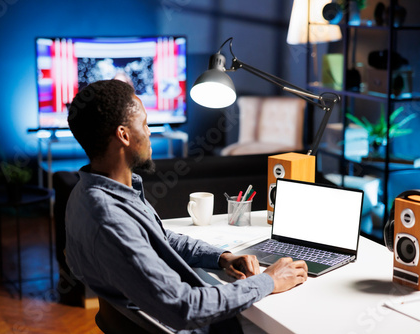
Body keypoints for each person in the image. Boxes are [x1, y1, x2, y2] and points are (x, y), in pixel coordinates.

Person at [65, 79, 308, 333]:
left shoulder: (90, 192)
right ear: (124, 135)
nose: (149, 132)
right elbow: (186, 307)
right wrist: (268, 280)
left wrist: (222, 258)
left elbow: (158, 238)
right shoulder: (110, 218)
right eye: (144, 124)